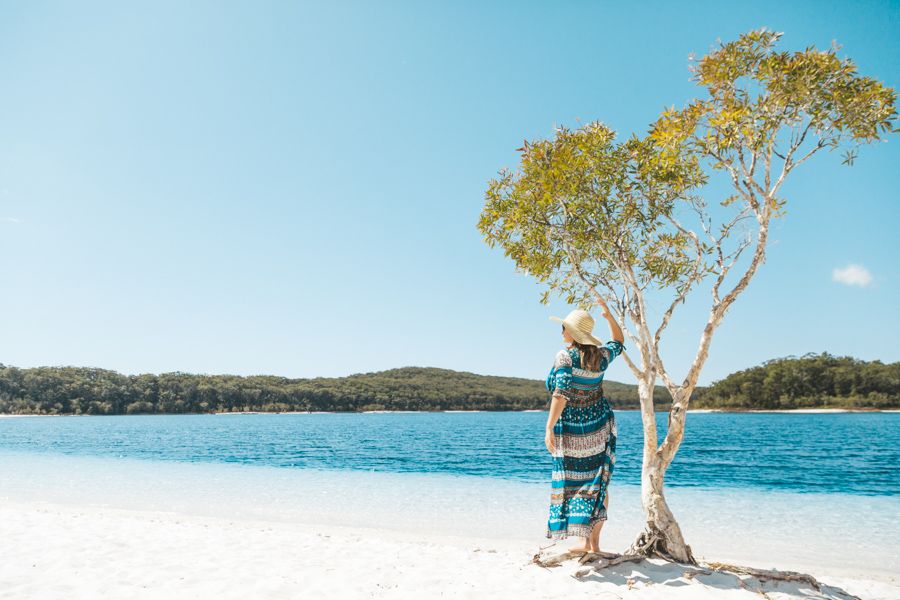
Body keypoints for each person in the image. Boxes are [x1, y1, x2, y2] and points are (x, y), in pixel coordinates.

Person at [544, 298, 625, 554]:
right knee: (597, 482)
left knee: (574, 482)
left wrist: (549, 427)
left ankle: (583, 541)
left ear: (572, 332)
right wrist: (609, 317)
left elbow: (561, 393)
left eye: (564, 327)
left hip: (572, 427)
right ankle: (593, 545)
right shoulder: (600, 357)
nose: (562, 331)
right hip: (599, 425)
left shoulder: (565, 356)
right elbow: (619, 342)